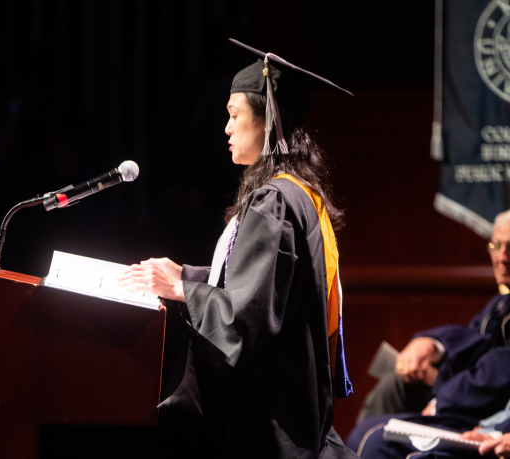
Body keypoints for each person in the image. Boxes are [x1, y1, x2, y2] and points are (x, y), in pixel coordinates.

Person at [117, 39, 356, 459]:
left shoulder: (275, 202)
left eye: (234, 115)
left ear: (269, 120)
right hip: (289, 404)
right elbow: (263, 285)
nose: (226, 128)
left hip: (267, 422)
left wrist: (183, 292)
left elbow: (246, 319)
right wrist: (186, 275)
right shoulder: (303, 194)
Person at [345, 211, 510, 458]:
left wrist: (441, 397)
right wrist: (431, 344)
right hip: (463, 396)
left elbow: (498, 371)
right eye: (495, 246)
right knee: (394, 385)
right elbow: (474, 337)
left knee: (373, 439)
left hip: (481, 413)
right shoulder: (501, 303)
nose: (502, 257)